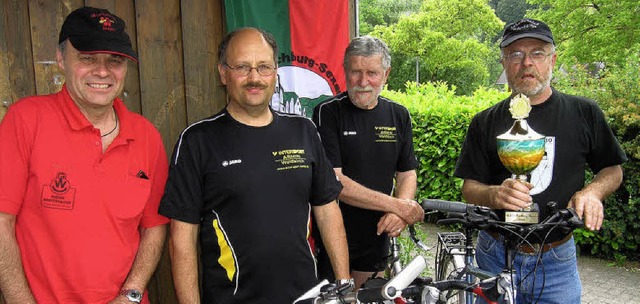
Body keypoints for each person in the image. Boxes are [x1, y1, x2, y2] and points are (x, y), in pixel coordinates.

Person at [158, 27, 350, 304]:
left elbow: (328, 212)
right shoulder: (198, 141)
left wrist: (344, 284)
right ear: (223, 73)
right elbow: (181, 240)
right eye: (242, 67)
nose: (254, 78)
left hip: (308, 297)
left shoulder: (304, 131)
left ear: (275, 73)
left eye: (264, 67)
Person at [0, 6, 169, 304]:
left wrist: (130, 294)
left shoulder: (146, 137)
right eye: (87, 58)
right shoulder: (25, 120)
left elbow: (154, 229)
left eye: (114, 60)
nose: (102, 71)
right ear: (61, 59)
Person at [454, 18, 627, 303]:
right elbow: (469, 187)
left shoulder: (584, 112)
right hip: (493, 254)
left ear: (552, 60)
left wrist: (592, 192)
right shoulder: (484, 121)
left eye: (537, 53)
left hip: (555, 260)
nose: (526, 63)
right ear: (504, 63)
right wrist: (495, 194)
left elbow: (612, 170)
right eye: (516, 55)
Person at [312, 36, 424, 288]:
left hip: (377, 232)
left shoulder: (398, 114)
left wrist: (400, 210)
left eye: (372, 73)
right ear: (345, 71)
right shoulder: (327, 111)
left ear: (386, 74)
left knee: (370, 295)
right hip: (334, 231)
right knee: (337, 297)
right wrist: (398, 206)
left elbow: (406, 173)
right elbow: (334, 180)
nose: (363, 82)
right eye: (356, 72)